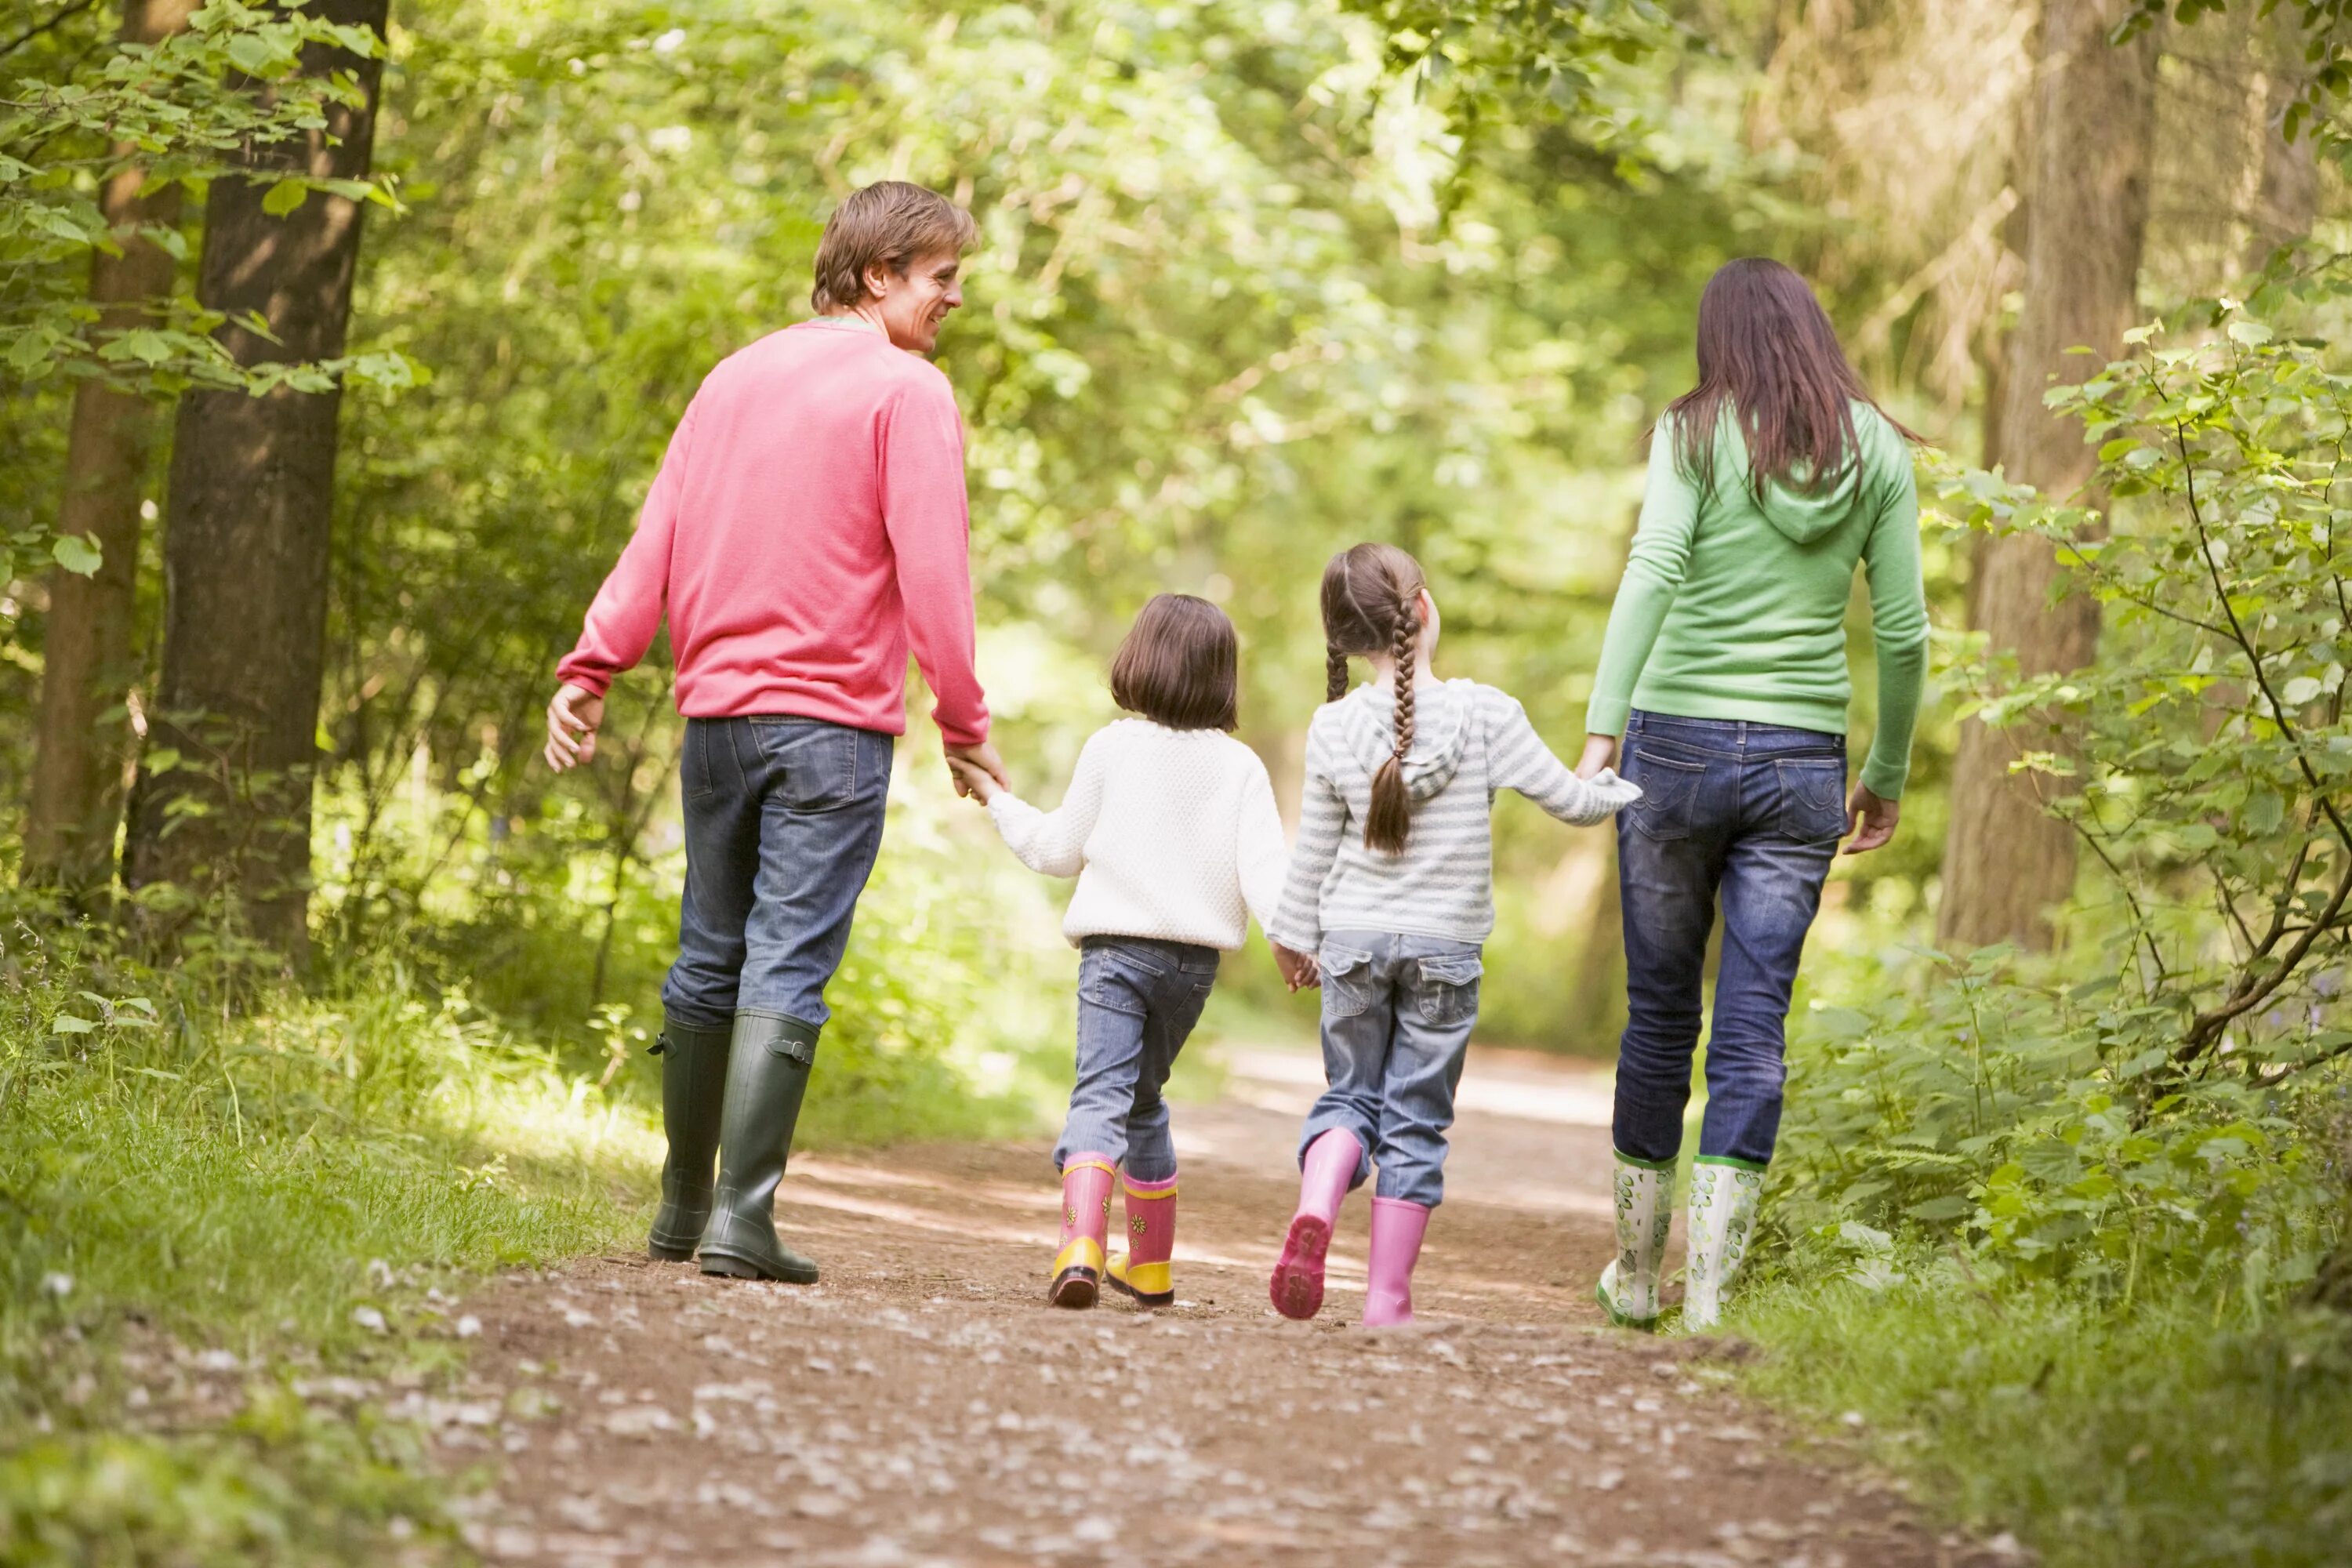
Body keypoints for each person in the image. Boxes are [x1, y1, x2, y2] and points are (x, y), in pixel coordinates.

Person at [542, 181, 1007, 1284]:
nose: (954, 301)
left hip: (717, 719)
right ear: (878, 273)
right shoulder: (910, 393)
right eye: (943, 279)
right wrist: (962, 718)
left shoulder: (734, 376)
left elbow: (659, 531)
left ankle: (680, 1208)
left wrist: (594, 662)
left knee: (710, 949)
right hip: (833, 725)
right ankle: (743, 1221)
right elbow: (937, 572)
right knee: (787, 956)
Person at [1575, 256, 1926, 1331]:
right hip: (1801, 761)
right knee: (1754, 1025)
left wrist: (1601, 731)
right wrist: (1887, 773)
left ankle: (1635, 1276)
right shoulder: (1879, 449)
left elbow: (1653, 567)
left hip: (1672, 747)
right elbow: (1906, 633)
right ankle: (1713, 1297)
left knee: (1660, 1014)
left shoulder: (1692, 433)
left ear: (1719, 337)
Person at [1265, 543, 1639, 1327]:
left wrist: (1291, 937)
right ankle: (1385, 1298)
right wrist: (1620, 784)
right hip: (1446, 946)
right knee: (1414, 1117)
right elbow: (1571, 802)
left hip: (1353, 939)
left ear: (1341, 640)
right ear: (1423, 610)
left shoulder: (1333, 725)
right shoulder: (1485, 712)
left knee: (1349, 1096)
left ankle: (1318, 1199)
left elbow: (1313, 853)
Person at [949, 594, 1287, 1309]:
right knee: (1145, 1101)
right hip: (1192, 968)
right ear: (1224, 676)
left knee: (1100, 1094)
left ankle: (1080, 1244)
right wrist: (1294, 947)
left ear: (1140, 659)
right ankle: (1152, 1265)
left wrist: (994, 798)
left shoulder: (1113, 747)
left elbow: (1055, 851)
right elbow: (1267, 880)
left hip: (1115, 955)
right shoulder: (1243, 768)